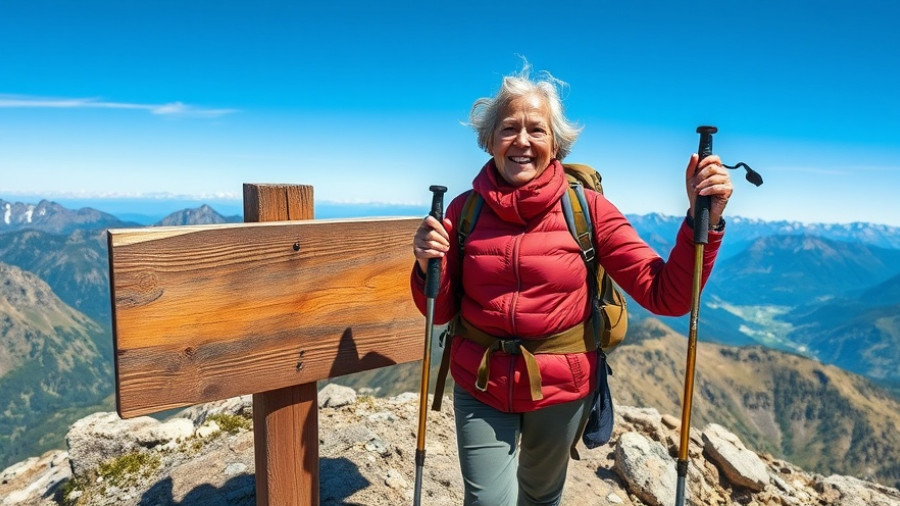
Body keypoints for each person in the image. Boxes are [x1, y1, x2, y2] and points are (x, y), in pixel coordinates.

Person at [410, 66, 732, 506]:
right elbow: (440, 310)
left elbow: (668, 295)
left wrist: (704, 221)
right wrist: (427, 263)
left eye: (536, 130)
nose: (522, 141)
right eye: (508, 129)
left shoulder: (589, 211)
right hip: (480, 381)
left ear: (556, 144)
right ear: (488, 141)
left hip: (560, 388)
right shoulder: (464, 211)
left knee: (542, 498)